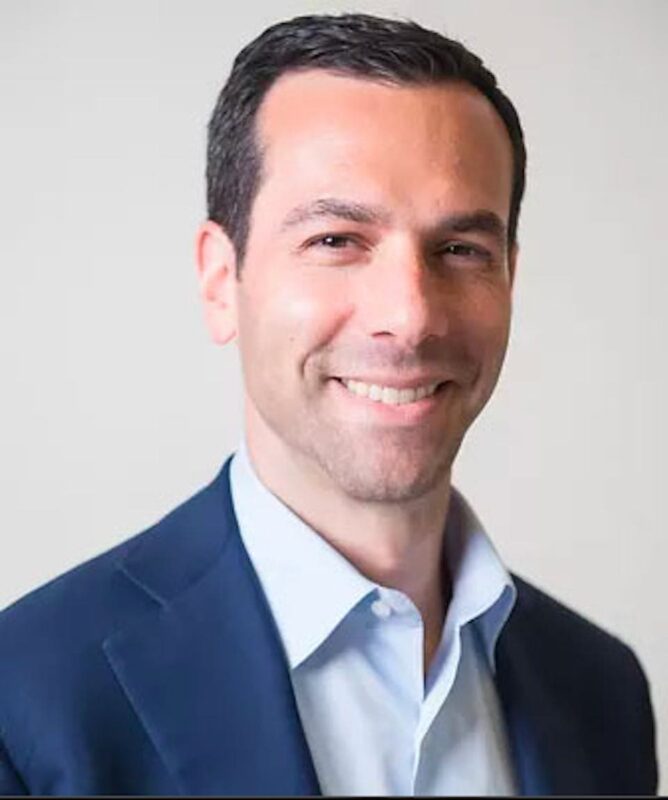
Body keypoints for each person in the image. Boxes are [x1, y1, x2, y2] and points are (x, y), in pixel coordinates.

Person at [0, 12, 658, 796]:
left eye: (460, 250)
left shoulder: (602, 690)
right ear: (221, 280)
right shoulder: (28, 700)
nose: (410, 317)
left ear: (509, 279)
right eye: (337, 240)